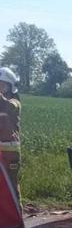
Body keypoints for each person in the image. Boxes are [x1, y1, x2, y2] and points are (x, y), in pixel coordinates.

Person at [0, 66, 22, 202]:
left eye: (2, 85)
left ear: (10, 87)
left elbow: (7, 106)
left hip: (10, 154)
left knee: (12, 187)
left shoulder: (15, 103)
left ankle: (17, 221)